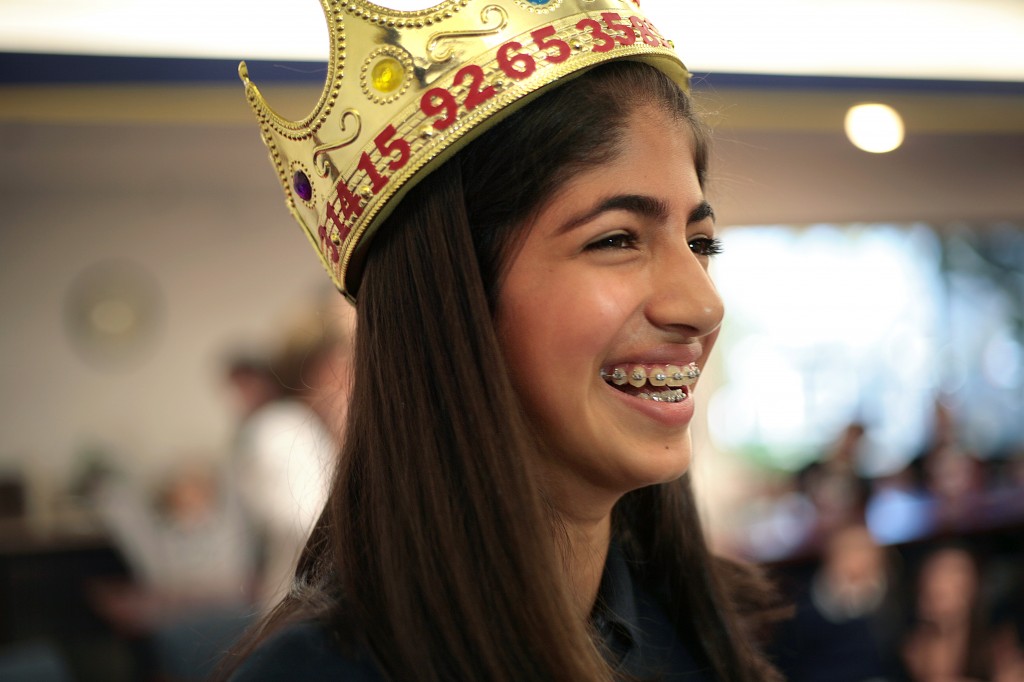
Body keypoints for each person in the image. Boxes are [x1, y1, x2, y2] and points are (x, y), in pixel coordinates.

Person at [220, 1, 785, 679]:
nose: (702, 303)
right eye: (615, 240)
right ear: (452, 302)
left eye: (701, 243)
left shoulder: (691, 632)